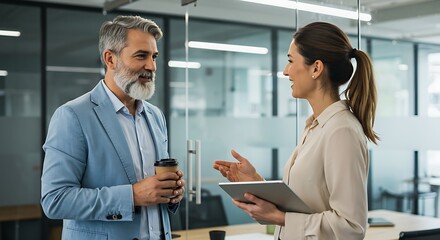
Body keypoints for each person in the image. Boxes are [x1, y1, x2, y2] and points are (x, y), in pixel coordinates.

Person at [213, 21, 379, 240]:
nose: (285, 71)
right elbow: (305, 204)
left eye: (291, 61)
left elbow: (351, 227)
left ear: (316, 68)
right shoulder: (315, 126)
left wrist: (280, 218)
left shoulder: (341, 131)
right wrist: (257, 183)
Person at [41, 15, 185, 240]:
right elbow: (55, 200)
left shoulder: (155, 116)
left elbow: (153, 192)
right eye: (141, 56)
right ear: (110, 59)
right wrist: (132, 196)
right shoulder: (73, 116)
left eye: (154, 56)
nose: (152, 66)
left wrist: (171, 193)